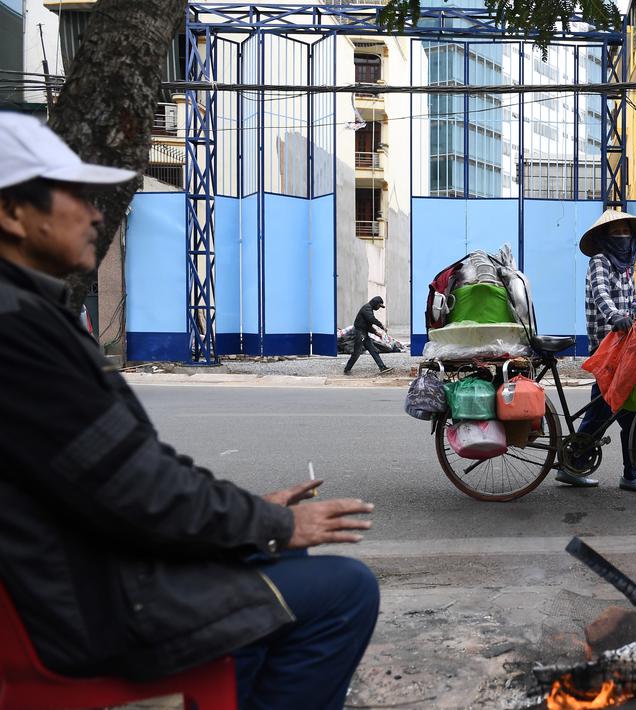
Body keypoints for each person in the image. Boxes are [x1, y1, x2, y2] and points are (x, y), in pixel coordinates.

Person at [0, 111, 380, 709]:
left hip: (81, 571)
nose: (97, 213)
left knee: (274, 554)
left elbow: (131, 464)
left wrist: (251, 515)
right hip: (89, 599)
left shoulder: (31, 316)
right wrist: (272, 523)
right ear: (13, 213)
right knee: (346, 590)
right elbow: (134, 486)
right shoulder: (19, 332)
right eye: (75, 196)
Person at [556, 208, 636, 492]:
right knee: (618, 411)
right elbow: (601, 294)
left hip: (624, 347)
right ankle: (628, 472)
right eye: (616, 233)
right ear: (605, 238)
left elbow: (630, 302)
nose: (622, 238)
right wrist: (614, 317)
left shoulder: (625, 268)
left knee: (613, 410)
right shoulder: (600, 261)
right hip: (606, 347)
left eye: (626, 233)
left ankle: (578, 464)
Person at [344, 295, 393, 375]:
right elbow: (371, 319)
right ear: (375, 303)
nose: (378, 308)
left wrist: (376, 333)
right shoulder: (367, 308)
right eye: (378, 306)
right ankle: (347, 369)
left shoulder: (369, 309)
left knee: (373, 350)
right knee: (357, 352)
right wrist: (381, 326)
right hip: (360, 333)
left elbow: (368, 325)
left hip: (364, 333)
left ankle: (382, 367)